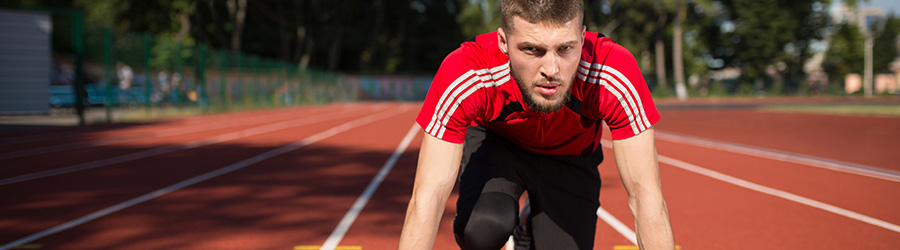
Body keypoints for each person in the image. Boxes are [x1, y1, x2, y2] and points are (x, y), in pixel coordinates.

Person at [398, 0, 674, 249]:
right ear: (503, 42)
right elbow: (428, 196)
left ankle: (529, 223)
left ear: (582, 37)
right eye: (532, 49)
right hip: (499, 145)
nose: (551, 70)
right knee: (482, 228)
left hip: (571, 156)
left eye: (565, 48)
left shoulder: (612, 72)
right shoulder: (468, 71)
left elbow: (645, 195)